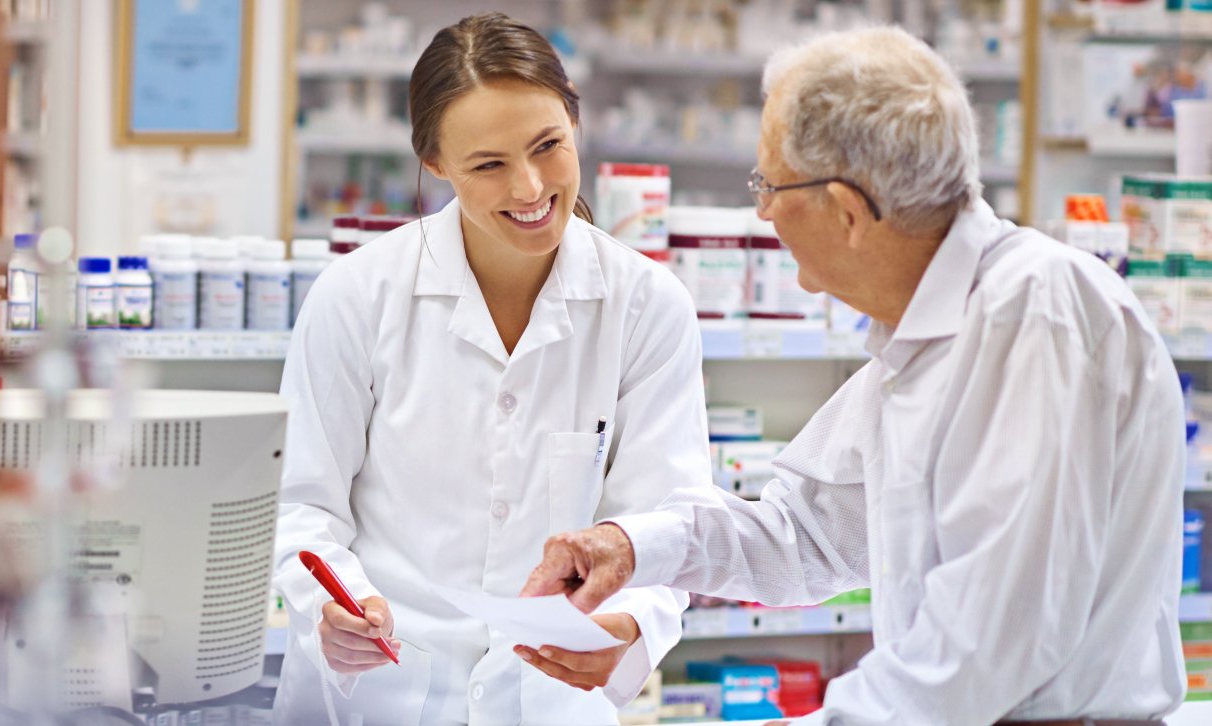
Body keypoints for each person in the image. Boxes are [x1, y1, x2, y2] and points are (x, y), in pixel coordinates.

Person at [521, 26, 1187, 725]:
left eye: (770, 185)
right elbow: (803, 536)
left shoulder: (1034, 317)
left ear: (845, 210)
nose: (763, 212)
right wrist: (635, 547)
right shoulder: (924, 333)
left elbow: (988, 648)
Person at [270, 12, 712, 726]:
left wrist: (627, 626)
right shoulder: (358, 297)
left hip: (547, 700)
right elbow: (299, 505)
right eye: (489, 164)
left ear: (577, 125)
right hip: (381, 692)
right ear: (436, 164)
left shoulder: (646, 305)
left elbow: (668, 520)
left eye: (548, 147)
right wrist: (334, 609)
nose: (531, 187)